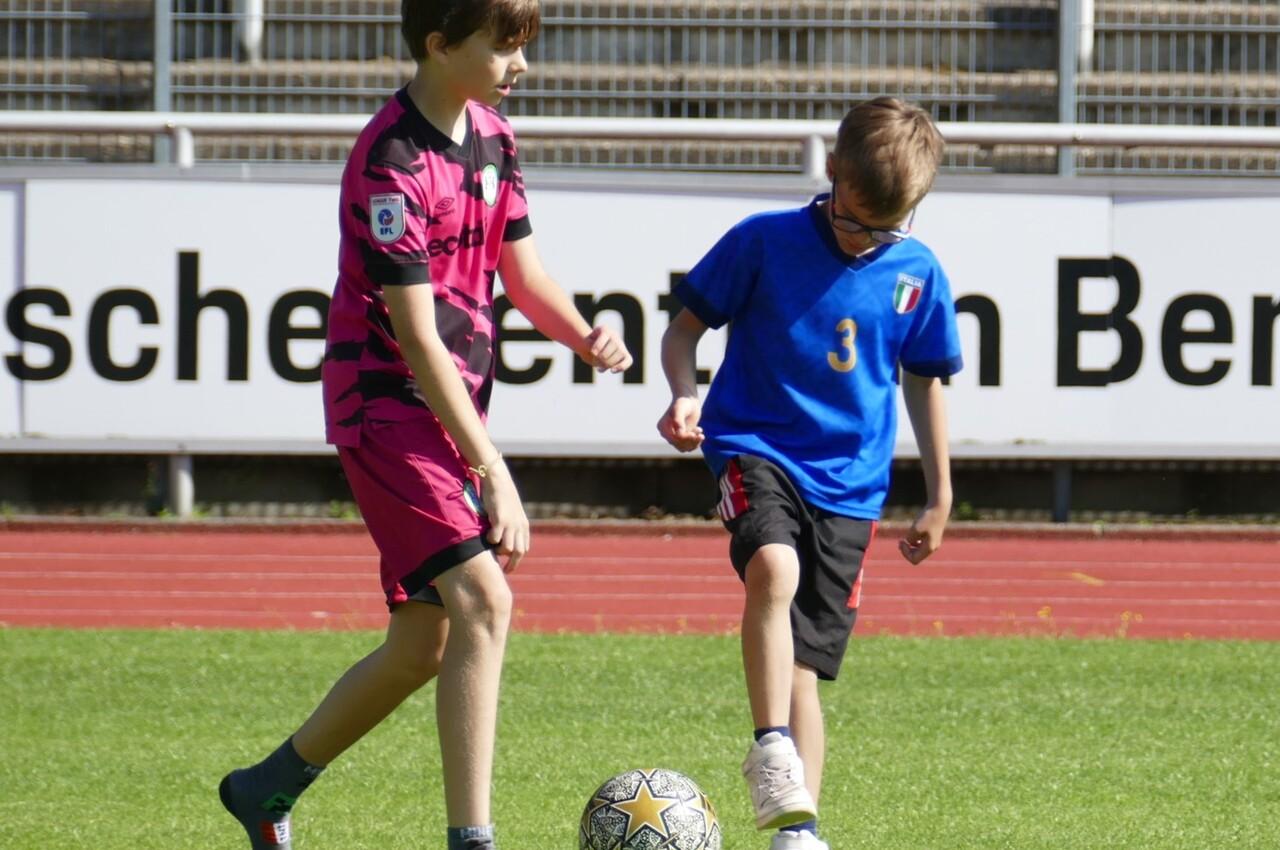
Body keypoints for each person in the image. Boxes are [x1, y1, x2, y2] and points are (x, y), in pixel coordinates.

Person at [218, 2, 632, 848]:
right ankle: (470, 839)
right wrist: (493, 467)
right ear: (441, 45)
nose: (522, 67)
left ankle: (265, 790)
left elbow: (523, 274)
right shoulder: (391, 160)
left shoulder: (495, 137)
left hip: (448, 413)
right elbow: (412, 335)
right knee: (485, 599)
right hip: (387, 409)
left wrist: (582, 331)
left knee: (422, 649)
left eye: (523, 47)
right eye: (505, 47)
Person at [657, 96, 961, 850]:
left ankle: (799, 832)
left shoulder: (918, 272)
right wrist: (685, 395)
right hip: (755, 447)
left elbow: (924, 380)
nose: (867, 239)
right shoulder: (763, 241)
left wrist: (941, 494)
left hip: (852, 486)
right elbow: (682, 330)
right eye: (855, 218)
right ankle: (768, 748)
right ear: (831, 174)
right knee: (772, 567)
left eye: (886, 227)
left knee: (804, 669)